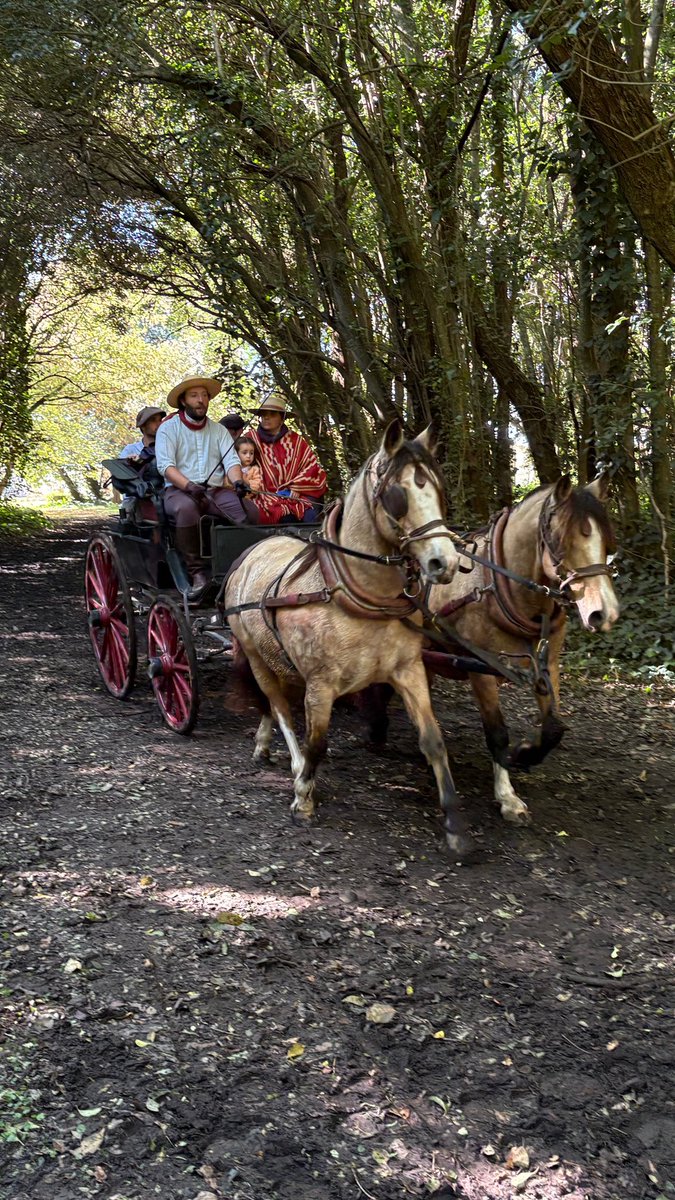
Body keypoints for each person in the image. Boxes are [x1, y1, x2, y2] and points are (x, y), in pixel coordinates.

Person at [155, 375, 259, 598]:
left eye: (204, 395)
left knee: (248, 510)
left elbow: (231, 461)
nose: (201, 400)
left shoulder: (218, 431)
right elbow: (166, 466)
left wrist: (239, 480)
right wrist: (188, 485)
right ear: (183, 401)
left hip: (214, 491)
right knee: (186, 509)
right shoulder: (168, 429)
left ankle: (239, 569)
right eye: (194, 396)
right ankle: (197, 574)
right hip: (179, 490)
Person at [245, 395, 327, 524]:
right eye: (263, 414)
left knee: (311, 519)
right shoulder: (250, 439)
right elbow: (239, 465)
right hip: (262, 495)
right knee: (284, 517)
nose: (266, 417)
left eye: (272, 414)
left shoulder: (296, 441)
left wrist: (296, 487)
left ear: (282, 418)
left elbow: (312, 468)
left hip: (294, 495)